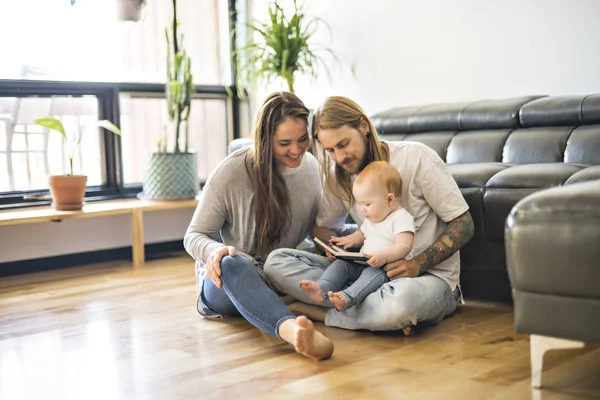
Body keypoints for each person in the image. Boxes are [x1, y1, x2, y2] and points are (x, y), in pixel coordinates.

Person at [264, 95, 475, 335]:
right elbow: (322, 229)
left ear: (364, 125)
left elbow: (464, 223)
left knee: (400, 304)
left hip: (427, 280)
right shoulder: (339, 175)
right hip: (367, 272)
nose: (339, 157)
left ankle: (321, 312)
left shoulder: (416, 158)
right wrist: (334, 250)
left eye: (343, 144)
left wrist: (418, 264)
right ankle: (366, 309)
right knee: (275, 262)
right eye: (330, 150)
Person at [183, 92, 333, 360]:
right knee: (230, 261)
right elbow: (193, 235)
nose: (297, 150)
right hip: (229, 281)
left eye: (302, 139)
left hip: (279, 274)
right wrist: (213, 251)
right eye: (284, 143)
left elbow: (316, 231)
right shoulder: (231, 172)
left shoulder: (313, 169)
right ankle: (294, 333)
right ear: (265, 140)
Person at [299, 160, 415, 311]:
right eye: (359, 204)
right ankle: (322, 289)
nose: (362, 210)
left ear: (389, 199)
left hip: (384, 269)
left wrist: (385, 256)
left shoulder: (401, 217)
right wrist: (347, 241)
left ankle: (347, 297)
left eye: (367, 204)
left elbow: (404, 245)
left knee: (371, 275)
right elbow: (361, 235)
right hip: (362, 262)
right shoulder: (372, 219)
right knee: (341, 265)